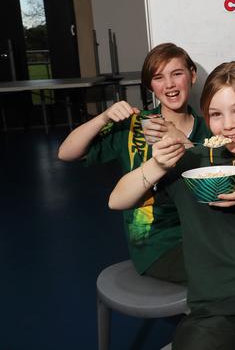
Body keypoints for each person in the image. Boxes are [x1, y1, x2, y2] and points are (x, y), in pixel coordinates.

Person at [109, 61, 235, 350]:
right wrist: (156, 164)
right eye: (216, 114)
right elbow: (117, 200)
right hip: (212, 314)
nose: (228, 124)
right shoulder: (193, 163)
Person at [57, 42, 210, 282]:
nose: (169, 84)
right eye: (159, 77)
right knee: (222, 270)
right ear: (151, 86)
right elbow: (66, 153)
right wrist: (104, 117)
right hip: (158, 242)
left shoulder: (210, 131)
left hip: (205, 233)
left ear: (192, 76)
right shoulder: (134, 126)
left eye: (177, 74)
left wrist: (182, 141)